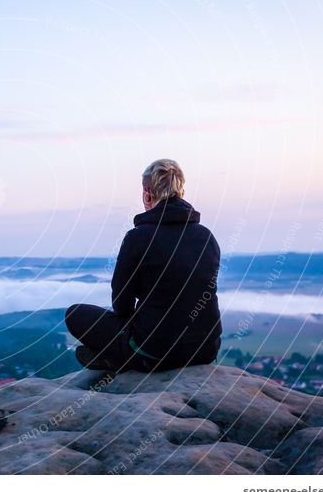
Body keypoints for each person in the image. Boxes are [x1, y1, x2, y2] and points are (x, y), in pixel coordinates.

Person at [65, 159, 222, 372]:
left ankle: (123, 358)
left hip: (155, 353)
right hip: (204, 351)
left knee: (74, 314)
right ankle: (122, 355)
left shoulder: (138, 238)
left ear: (147, 194)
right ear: (181, 191)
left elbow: (121, 304)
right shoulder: (207, 237)